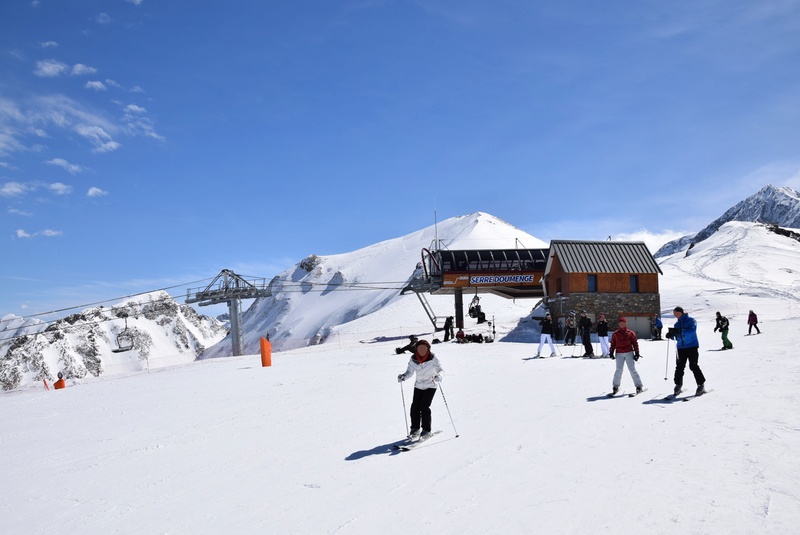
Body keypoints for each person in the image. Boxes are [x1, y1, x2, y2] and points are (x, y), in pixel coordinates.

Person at [397, 339, 444, 439]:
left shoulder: (433, 358)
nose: (422, 350)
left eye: (424, 348)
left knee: (424, 406)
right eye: (419, 348)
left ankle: (426, 430)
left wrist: (439, 376)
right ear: (416, 349)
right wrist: (403, 376)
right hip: (418, 385)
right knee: (414, 407)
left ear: (428, 349)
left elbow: (440, 370)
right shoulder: (413, 359)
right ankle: (415, 429)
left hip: (431, 385)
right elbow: (409, 372)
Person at [667, 306, 706, 396]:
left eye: (675, 313)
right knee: (679, 367)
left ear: (680, 312)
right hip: (681, 348)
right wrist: (671, 335)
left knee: (693, 365)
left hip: (692, 346)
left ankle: (701, 385)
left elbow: (691, 332)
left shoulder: (691, 321)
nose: (674, 314)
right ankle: (678, 385)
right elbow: (677, 337)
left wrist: (680, 332)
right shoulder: (677, 324)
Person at [608, 317, 644, 395]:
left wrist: (637, 353)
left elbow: (635, 343)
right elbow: (613, 343)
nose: (622, 325)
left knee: (632, 369)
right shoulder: (615, 334)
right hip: (619, 353)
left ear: (626, 324)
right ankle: (615, 386)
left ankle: (639, 386)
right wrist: (611, 352)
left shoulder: (630, 333)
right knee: (618, 370)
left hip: (629, 352)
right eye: (621, 323)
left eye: (623, 323)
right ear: (619, 324)